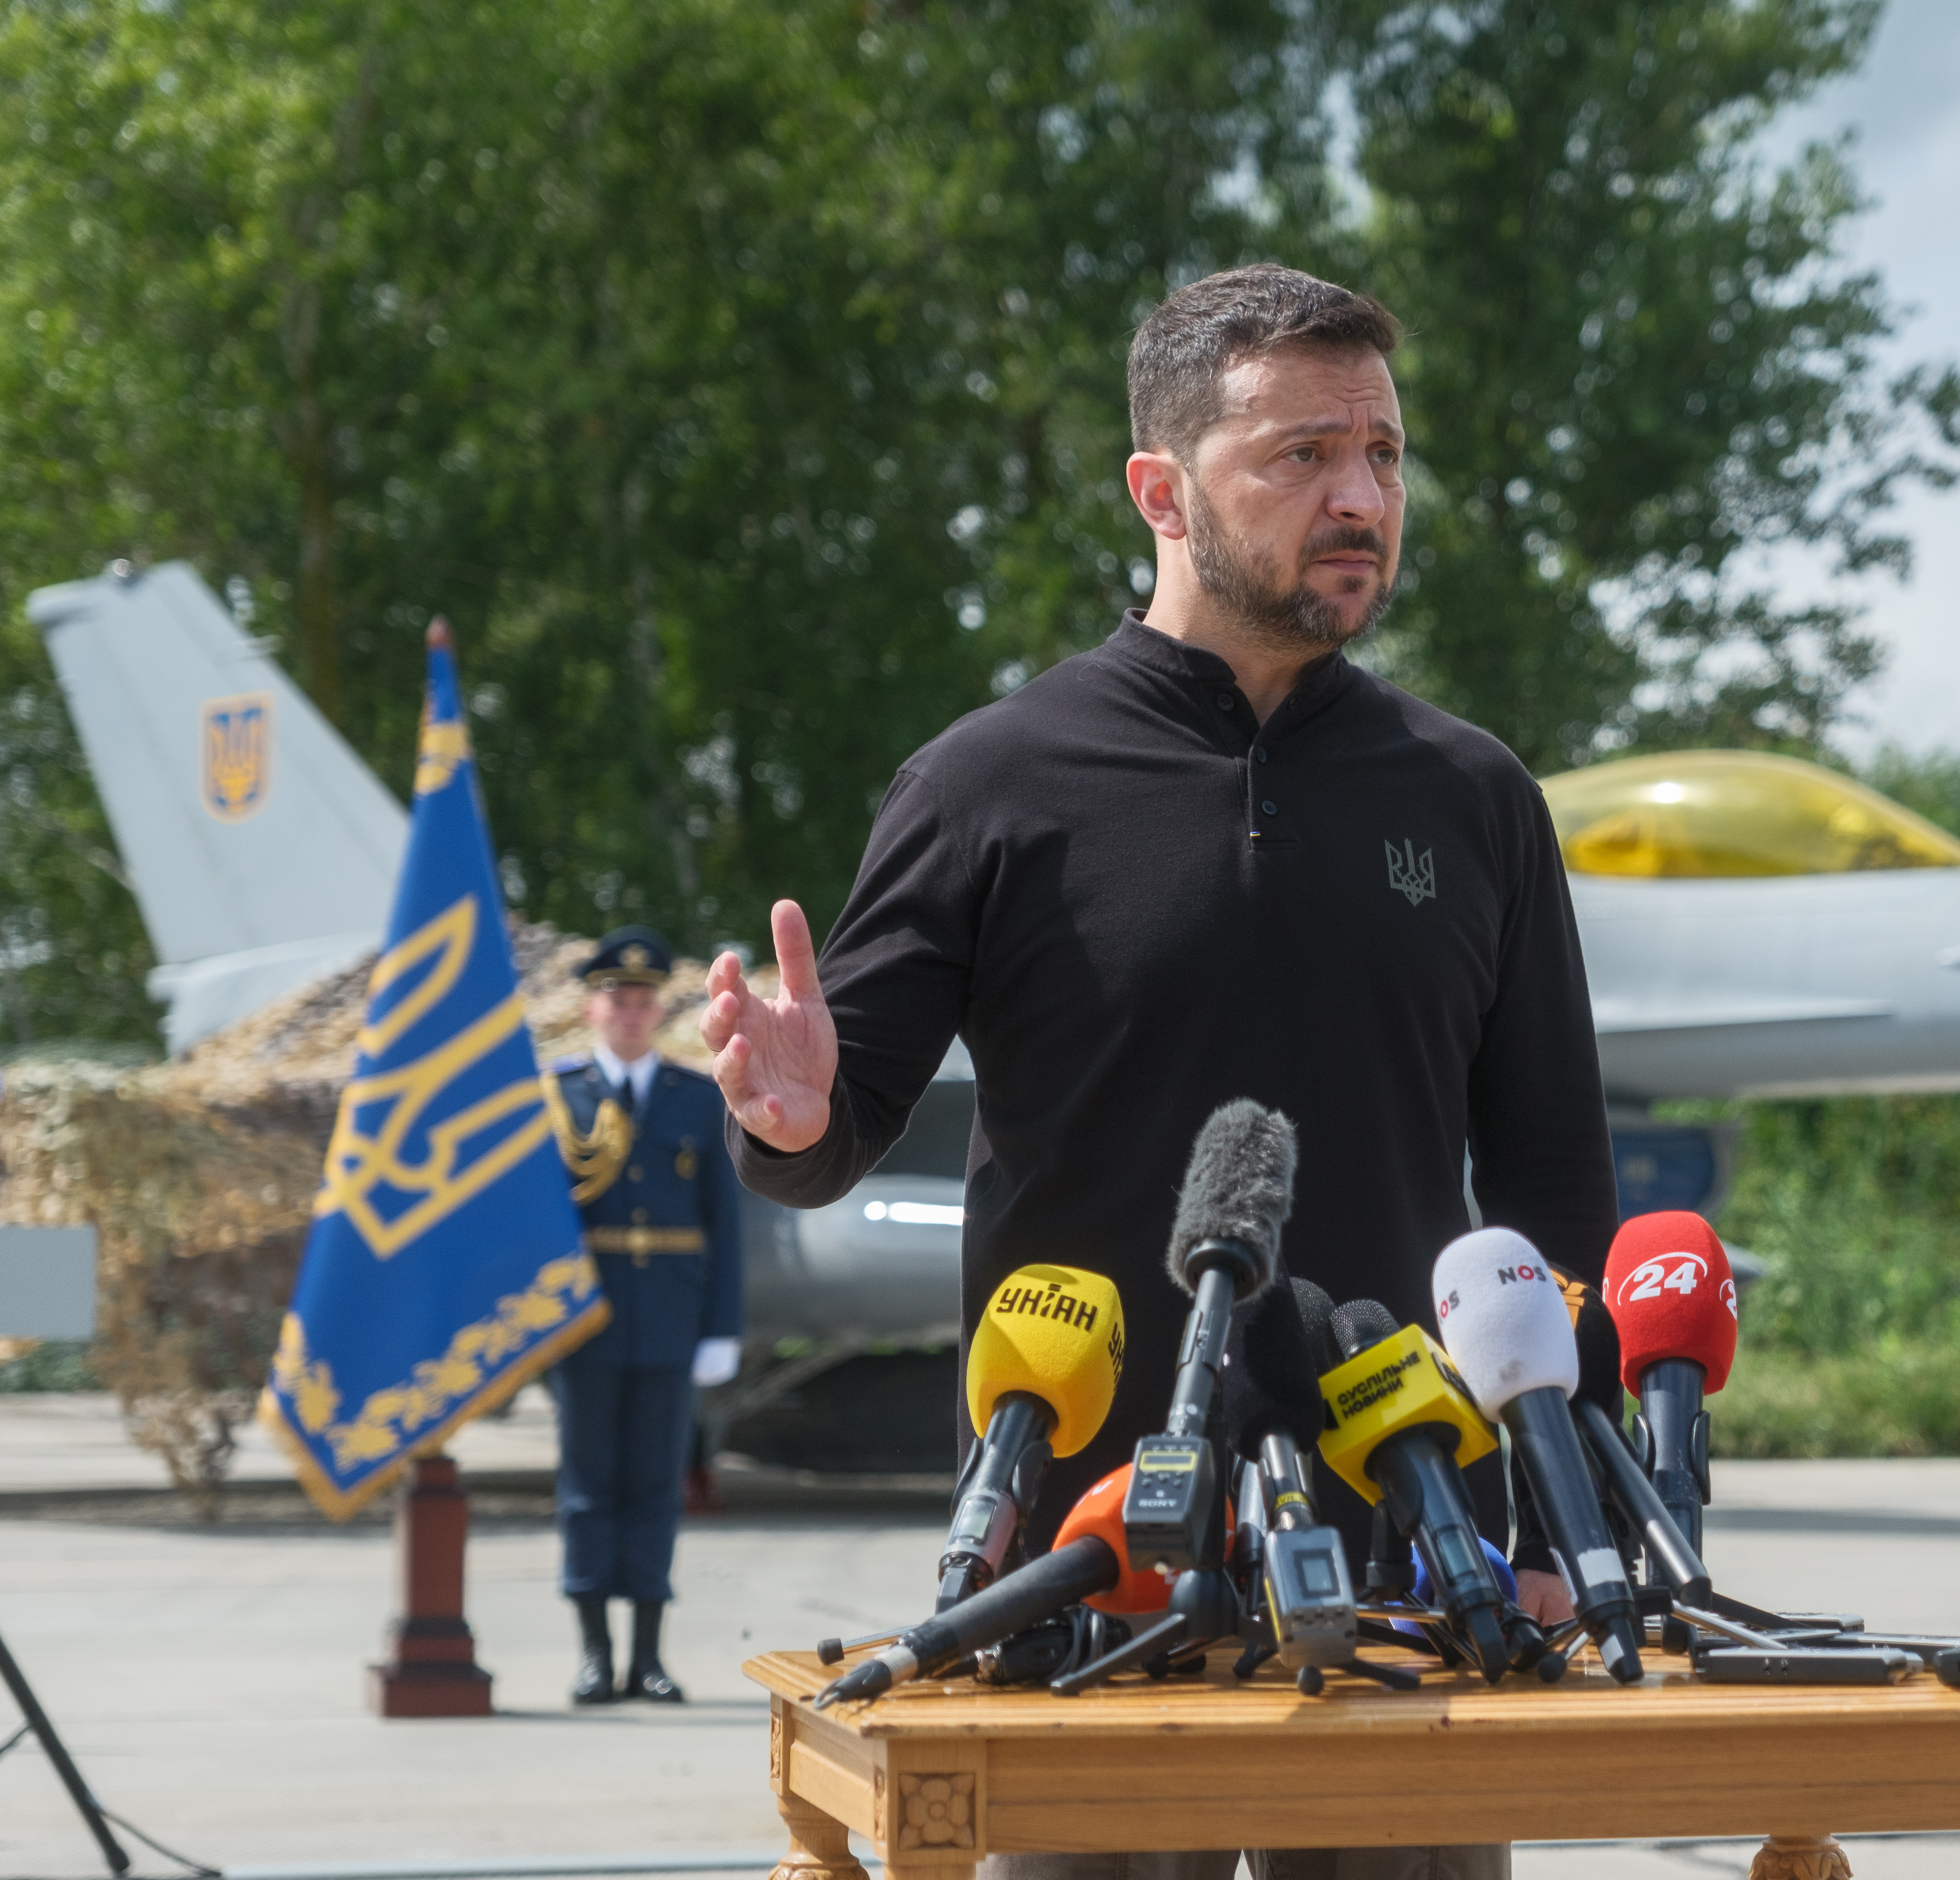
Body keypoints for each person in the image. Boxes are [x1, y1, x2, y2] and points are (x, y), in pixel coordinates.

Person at [705, 263, 1618, 1880]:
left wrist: (1556, 1522)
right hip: (1084, 1565)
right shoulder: (988, 783)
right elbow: (833, 1130)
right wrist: (789, 1115)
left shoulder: (1475, 797)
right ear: (1160, 490)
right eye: (1302, 454)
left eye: (1383, 453)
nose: (1361, 497)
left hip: (1417, 1558)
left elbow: (1553, 1186)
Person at [546, 926, 746, 1706]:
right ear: (591, 1008)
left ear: (659, 1010)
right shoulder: (558, 1098)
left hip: (669, 1317)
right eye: (615, 999)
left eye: (641, 1000)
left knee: (657, 1486)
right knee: (589, 1486)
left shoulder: (695, 1097)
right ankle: (595, 1655)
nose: (629, 1012)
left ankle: (649, 1657)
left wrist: (721, 1326)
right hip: (585, 1320)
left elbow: (723, 1225)